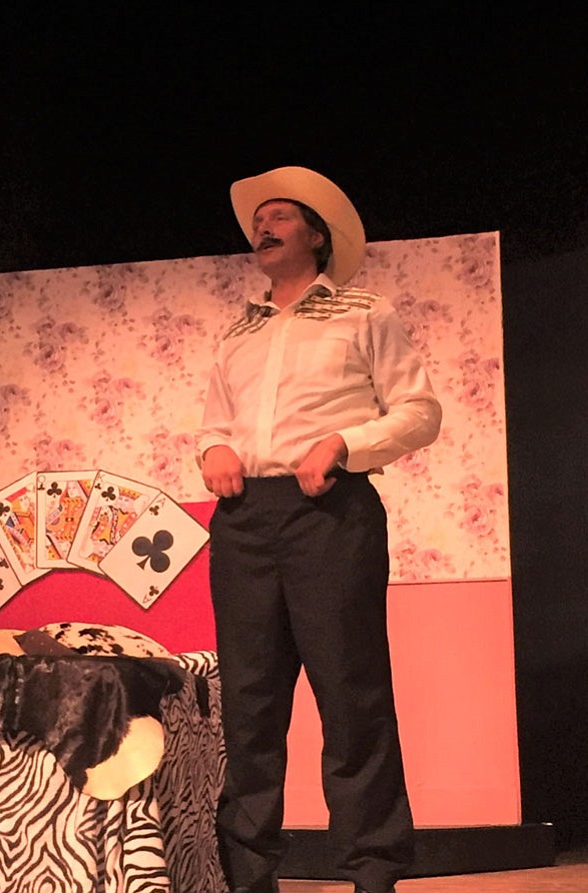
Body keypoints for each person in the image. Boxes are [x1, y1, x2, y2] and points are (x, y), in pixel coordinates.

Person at [196, 166, 442, 893]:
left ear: (315, 234)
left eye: (278, 216)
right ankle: (247, 873)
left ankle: (372, 870)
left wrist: (344, 443)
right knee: (248, 702)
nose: (262, 228)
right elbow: (216, 422)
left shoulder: (365, 312)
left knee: (351, 692)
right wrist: (212, 449)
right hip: (245, 522)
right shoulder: (237, 331)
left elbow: (418, 410)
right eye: (257, 218)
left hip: (331, 513)